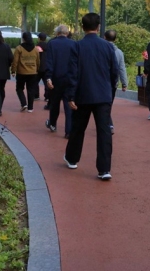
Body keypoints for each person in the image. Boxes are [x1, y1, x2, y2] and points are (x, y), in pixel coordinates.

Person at [64, 13, 118, 180]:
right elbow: (114, 72)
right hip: (103, 95)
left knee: (78, 129)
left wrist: (71, 96)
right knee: (104, 132)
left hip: (83, 95)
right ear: (98, 27)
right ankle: (104, 169)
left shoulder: (77, 46)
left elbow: (72, 73)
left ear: (82, 27)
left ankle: (72, 159)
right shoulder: (108, 47)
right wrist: (109, 91)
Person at [45, 25, 75, 138]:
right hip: (69, 79)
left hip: (56, 79)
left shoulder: (52, 43)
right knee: (69, 105)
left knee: (54, 103)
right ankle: (69, 130)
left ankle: (53, 124)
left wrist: (48, 77)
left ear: (57, 33)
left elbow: (49, 62)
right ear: (67, 33)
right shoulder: (74, 44)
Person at [104, 29, 128, 134]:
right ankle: (108, 123)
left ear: (104, 37)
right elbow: (122, 68)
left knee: (104, 105)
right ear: (115, 39)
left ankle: (108, 124)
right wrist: (124, 83)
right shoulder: (119, 53)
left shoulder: (102, 50)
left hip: (102, 82)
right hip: (113, 82)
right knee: (109, 103)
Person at [11, 31, 40, 113]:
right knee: (31, 90)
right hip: (33, 72)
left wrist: (13, 71)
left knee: (19, 88)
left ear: (23, 38)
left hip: (21, 72)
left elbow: (15, 61)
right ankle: (30, 108)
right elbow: (38, 61)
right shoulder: (35, 49)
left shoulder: (19, 48)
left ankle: (24, 104)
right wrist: (37, 69)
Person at [34, 32, 49, 105]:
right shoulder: (48, 46)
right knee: (47, 82)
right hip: (46, 66)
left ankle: (36, 95)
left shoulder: (37, 47)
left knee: (35, 82)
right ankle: (47, 96)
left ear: (39, 38)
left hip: (39, 67)